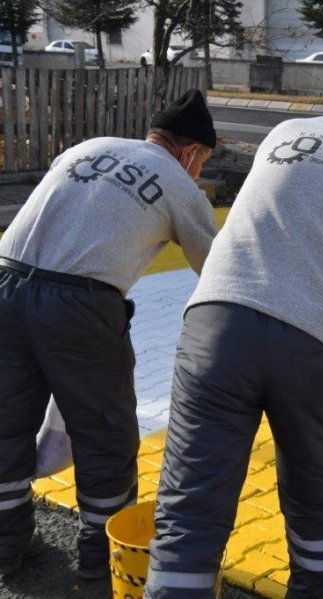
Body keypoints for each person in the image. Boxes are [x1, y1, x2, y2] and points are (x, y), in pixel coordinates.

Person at [144, 74, 323, 599]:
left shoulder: (283, 134)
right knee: (316, 498)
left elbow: (293, 214)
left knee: (192, 502)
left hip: (218, 324)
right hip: (315, 343)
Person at [0, 89, 218, 579]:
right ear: (188, 152)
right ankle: (101, 561)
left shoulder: (86, 148)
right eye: (202, 161)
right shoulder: (179, 185)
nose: (199, 171)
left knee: (6, 422)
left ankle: (6, 546)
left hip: (4, 287)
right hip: (80, 306)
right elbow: (217, 269)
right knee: (104, 433)